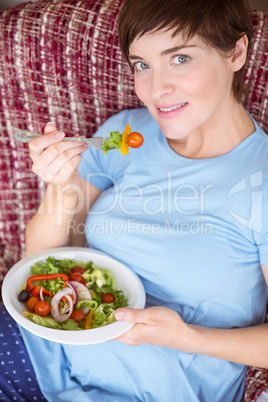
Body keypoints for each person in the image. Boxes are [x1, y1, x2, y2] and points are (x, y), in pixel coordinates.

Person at [7, 0, 268, 400]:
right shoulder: (126, 133)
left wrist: (187, 337)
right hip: (47, 346)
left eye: (179, 58)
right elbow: (41, 254)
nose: (156, 89)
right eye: (141, 65)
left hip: (150, 389)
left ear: (235, 52)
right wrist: (61, 183)